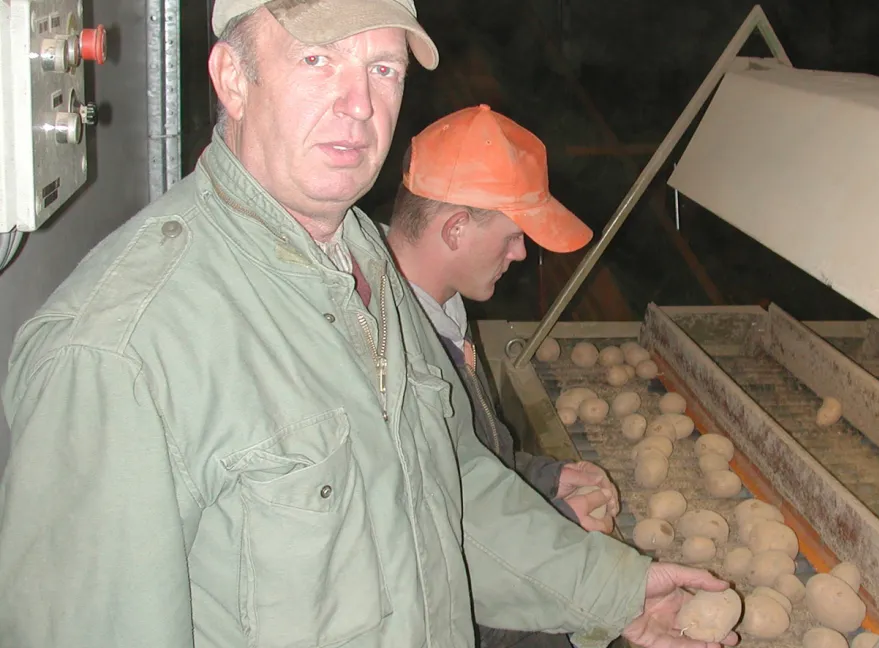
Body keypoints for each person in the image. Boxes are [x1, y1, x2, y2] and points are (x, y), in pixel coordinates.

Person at [0, 1, 738, 647]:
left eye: (383, 69)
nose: (358, 103)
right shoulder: (118, 352)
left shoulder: (365, 264)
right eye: (318, 59)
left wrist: (614, 593)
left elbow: (450, 494)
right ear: (232, 78)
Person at [386, 105, 618, 648]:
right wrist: (557, 533)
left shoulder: (439, 309)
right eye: (513, 235)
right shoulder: (384, 348)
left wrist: (543, 478)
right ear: (456, 228)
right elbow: (421, 561)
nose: (521, 253)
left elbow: (462, 459)